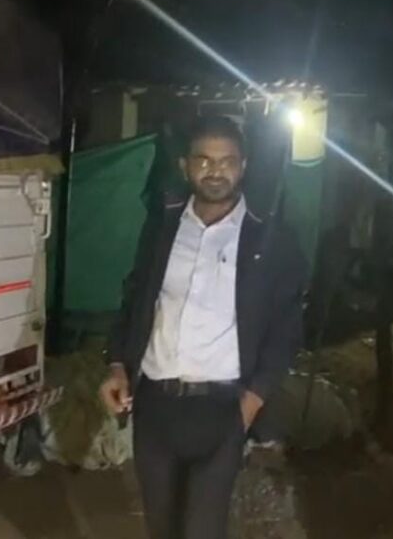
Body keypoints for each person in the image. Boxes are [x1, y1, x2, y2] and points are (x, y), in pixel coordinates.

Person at [99, 115, 307, 539]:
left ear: (243, 166)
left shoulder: (269, 239)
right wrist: (118, 365)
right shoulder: (163, 228)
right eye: (204, 160)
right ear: (185, 166)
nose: (216, 171)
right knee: (162, 528)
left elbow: (286, 328)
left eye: (227, 161)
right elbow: (135, 299)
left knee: (202, 530)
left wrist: (251, 402)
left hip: (222, 409)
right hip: (155, 406)